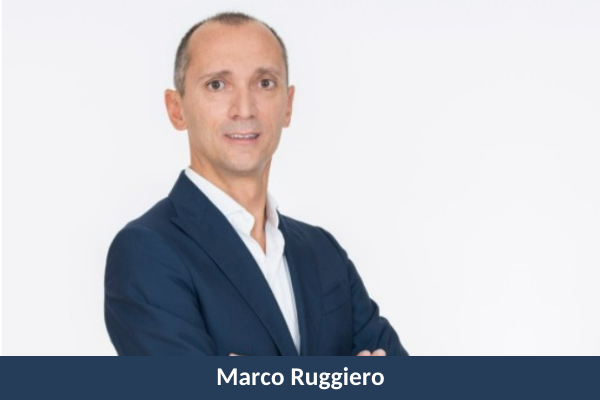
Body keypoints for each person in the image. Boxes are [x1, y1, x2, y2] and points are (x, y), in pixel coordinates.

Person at [104, 11, 408, 356]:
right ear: (177, 109)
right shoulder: (147, 251)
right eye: (217, 85)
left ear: (288, 105)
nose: (244, 109)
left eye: (264, 83)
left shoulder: (323, 252)